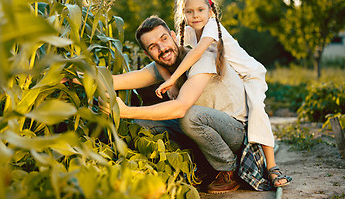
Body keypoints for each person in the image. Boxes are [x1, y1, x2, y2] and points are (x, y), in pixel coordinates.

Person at [104, 15, 281, 194]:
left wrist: (125, 111)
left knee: (188, 115)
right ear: (147, 54)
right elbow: (114, 81)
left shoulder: (202, 58)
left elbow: (181, 107)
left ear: (174, 36)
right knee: (142, 124)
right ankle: (197, 166)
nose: (162, 48)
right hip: (208, 130)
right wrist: (78, 76)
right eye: (153, 47)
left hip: (236, 132)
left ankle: (227, 170)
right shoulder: (162, 66)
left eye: (164, 39)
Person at [153, 0, 291, 188]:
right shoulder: (190, 31)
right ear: (184, 14)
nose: (195, 15)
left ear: (211, 10)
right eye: (189, 12)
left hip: (250, 74)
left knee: (256, 111)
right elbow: (170, 53)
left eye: (200, 10)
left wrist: (173, 80)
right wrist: (168, 76)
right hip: (234, 78)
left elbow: (198, 51)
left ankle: (272, 166)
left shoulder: (211, 26)